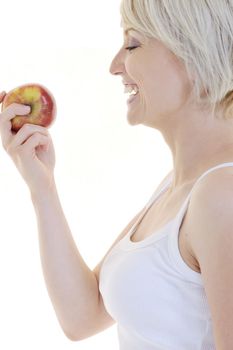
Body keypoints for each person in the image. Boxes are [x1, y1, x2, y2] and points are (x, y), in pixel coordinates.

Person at [1, 0, 233, 349]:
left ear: (193, 51)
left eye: (133, 44)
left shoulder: (221, 193)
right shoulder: (177, 186)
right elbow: (83, 316)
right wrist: (41, 186)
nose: (114, 66)